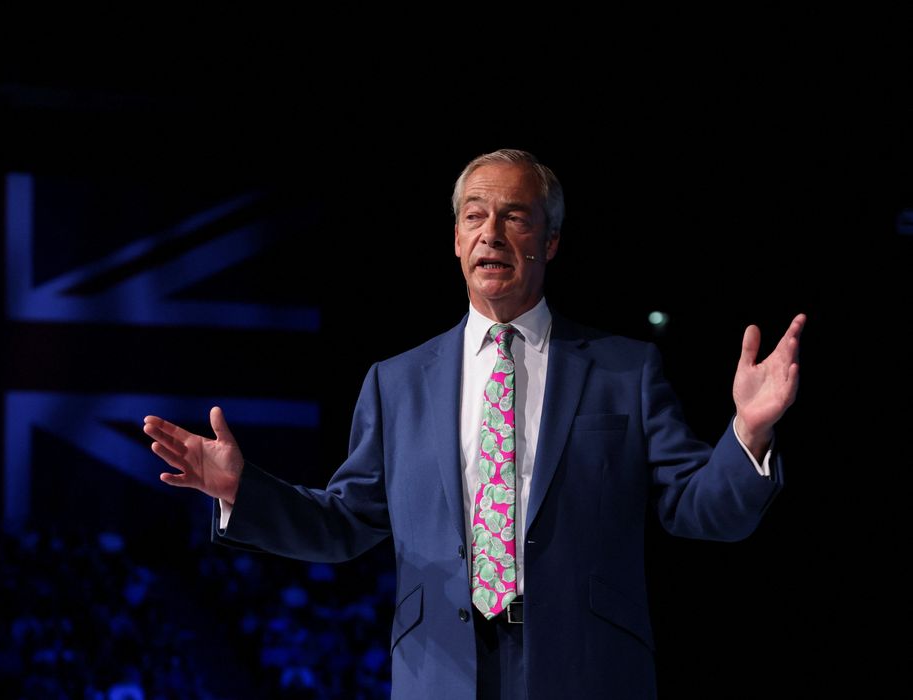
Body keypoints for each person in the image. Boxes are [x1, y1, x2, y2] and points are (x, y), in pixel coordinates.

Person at [143, 149, 804, 699]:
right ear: (456, 240)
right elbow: (345, 524)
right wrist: (241, 490)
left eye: (514, 217)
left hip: (587, 671)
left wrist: (746, 433)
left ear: (548, 241)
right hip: (440, 672)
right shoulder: (395, 382)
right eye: (474, 215)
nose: (490, 232)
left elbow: (697, 509)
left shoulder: (623, 370)